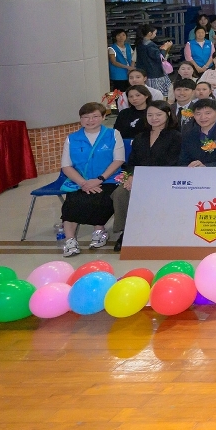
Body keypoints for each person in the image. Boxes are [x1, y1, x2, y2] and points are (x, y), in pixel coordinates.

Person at [111, 99, 181, 250]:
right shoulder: (140, 137)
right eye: (150, 115)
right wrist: (131, 176)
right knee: (120, 193)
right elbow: (132, 161)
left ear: (168, 114)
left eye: (158, 114)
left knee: (144, 193)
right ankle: (126, 231)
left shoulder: (175, 136)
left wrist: (145, 179)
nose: (154, 118)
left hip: (164, 180)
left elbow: (173, 163)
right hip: (139, 177)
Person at [58, 102, 126, 257]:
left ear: (103, 117)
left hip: (108, 179)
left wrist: (100, 179)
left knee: (102, 198)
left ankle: (99, 230)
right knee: (72, 201)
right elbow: (66, 166)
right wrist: (83, 183)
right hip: (80, 181)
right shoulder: (72, 138)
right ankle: (70, 240)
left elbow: (119, 160)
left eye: (95, 116)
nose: (90, 120)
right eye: (85, 117)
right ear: (80, 119)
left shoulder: (113, 134)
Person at [135, 24, 173, 101]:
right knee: (158, 95)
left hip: (145, 73)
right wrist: (164, 48)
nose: (155, 35)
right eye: (155, 33)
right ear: (149, 33)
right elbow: (159, 57)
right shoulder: (150, 45)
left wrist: (161, 49)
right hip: (154, 74)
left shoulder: (140, 43)